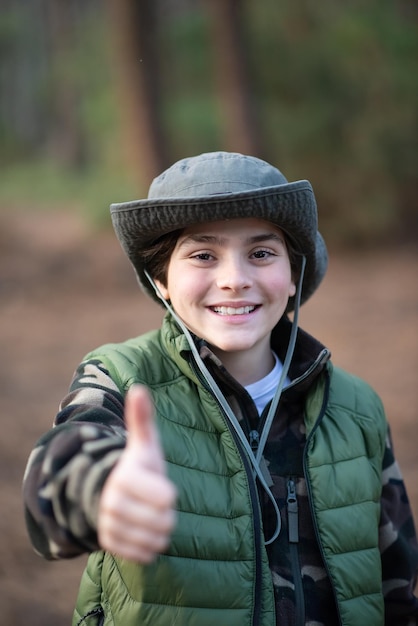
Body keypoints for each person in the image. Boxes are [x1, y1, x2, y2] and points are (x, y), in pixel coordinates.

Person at [23, 151, 418, 626]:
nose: (234, 280)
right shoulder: (120, 379)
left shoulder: (356, 408)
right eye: (203, 255)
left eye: (261, 253)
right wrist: (103, 489)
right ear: (161, 279)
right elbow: (57, 471)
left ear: (293, 273)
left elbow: (396, 587)